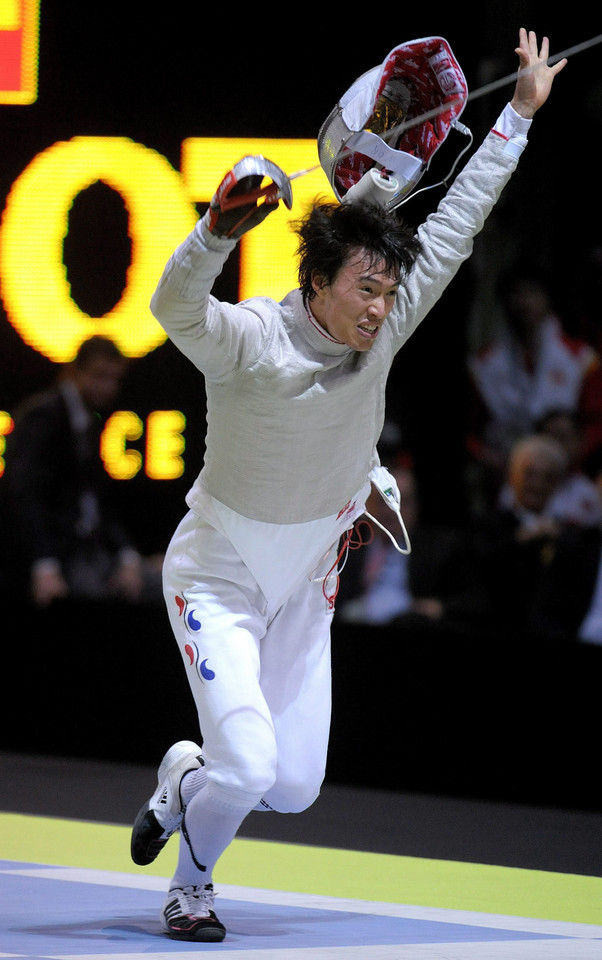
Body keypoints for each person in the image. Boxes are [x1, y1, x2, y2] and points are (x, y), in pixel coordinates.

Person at [129, 30, 565, 943]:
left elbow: (455, 223)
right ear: (317, 283)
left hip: (306, 584)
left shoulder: (386, 325)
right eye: (365, 287)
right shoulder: (250, 340)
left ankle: (182, 779)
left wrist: (517, 118)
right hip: (218, 573)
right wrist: (214, 231)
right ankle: (192, 890)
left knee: (292, 785)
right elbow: (174, 309)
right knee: (246, 767)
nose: (381, 305)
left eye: (388, 289)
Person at [2, 336, 152, 606]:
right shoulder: (42, 416)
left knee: (169, 580)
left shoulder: (88, 421)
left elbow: (98, 500)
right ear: (74, 371)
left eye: (115, 379)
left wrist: (128, 556)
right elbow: (24, 494)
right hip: (61, 557)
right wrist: (44, 564)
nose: (108, 387)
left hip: (90, 550)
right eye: (99, 376)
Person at [465, 262, 602, 512]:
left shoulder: (582, 360)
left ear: (547, 299)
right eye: (516, 294)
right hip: (504, 481)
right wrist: (488, 458)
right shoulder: (484, 366)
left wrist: (570, 455)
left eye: (532, 292)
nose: (524, 303)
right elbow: (469, 429)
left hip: (565, 482)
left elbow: (596, 423)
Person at [335, 459, 485, 634]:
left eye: (402, 502)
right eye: (384, 501)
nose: (392, 511)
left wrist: (438, 607)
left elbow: (476, 600)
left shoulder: (438, 549)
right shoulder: (350, 545)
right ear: (369, 504)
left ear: (416, 507)